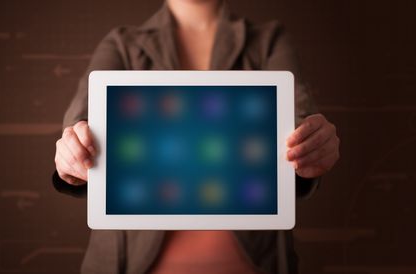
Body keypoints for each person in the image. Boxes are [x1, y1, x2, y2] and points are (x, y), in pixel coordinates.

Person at [53, 0, 340, 273]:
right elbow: (82, 122)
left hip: (252, 265)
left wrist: (311, 144)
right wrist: (73, 153)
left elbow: (297, 117)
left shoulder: (269, 39)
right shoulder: (121, 43)